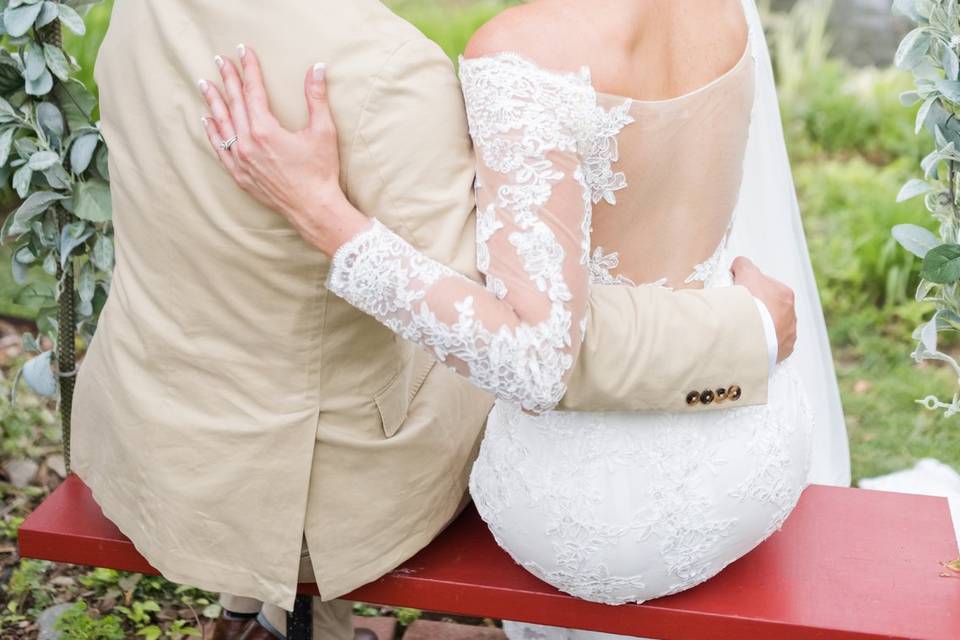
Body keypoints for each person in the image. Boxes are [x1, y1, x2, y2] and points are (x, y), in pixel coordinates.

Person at [73, 2, 840, 640]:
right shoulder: (391, 73)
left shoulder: (148, 9)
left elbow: (528, 347)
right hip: (752, 445)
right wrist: (747, 330)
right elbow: (528, 346)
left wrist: (324, 212)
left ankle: (268, 614)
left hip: (150, 429)